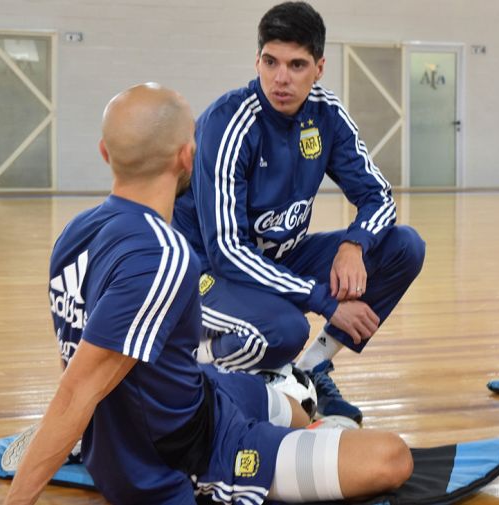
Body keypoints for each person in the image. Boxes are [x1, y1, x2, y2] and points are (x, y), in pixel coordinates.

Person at [4, 83, 412, 505]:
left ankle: (296, 417)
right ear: (187, 156)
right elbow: (77, 390)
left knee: (296, 408)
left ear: (105, 153)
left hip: (194, 395)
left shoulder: (76, 232)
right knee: (392, 458)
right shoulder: (165, 254)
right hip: (183, 452)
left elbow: (71, 354)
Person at [173, 1, 425, 425]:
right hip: (206, 271)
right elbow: (226, 250)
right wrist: (324, 301)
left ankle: (310, 371)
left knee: (404, 246)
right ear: (257, 60)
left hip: (275, 258)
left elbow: (379, 197)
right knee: (286, 328)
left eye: (297, 64)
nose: (281, 78)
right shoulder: (228, 123)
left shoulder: (326, 115)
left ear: (319, 67)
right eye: (270, 62)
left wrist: (354, 243)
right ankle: (194, 372)